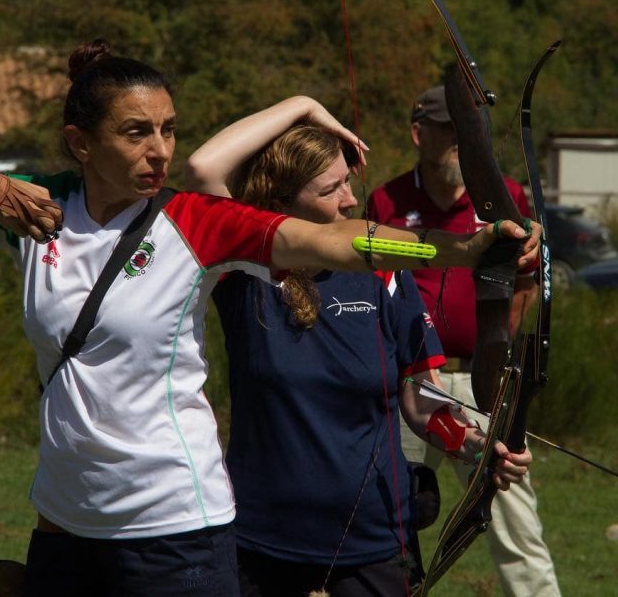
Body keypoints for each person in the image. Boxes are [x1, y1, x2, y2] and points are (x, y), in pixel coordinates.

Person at [0, 39, 540, 596]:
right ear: (80, 143)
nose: (160, 150)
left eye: (168, 130)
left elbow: (335, 242)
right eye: (136, 132)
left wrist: (460, 247)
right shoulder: (34, 212)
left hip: (176, 532)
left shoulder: (192, 221)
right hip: (64, 525)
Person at [184, 98, 533, 596]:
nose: (350, 200)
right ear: (283, 202)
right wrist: (304, 106)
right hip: (262, 541)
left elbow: (420, 398)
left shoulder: (385, 272)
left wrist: (474, 444)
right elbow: (203, 170)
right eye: (331, 189)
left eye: (349, 181)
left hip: (373, 539)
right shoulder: (246, 272)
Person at [368, 85, 562, 597]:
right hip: (412, 380)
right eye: (450, 129)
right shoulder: (386, 200)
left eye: (468, 131)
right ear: (419, 134)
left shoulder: (502, 198)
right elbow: (371, 287)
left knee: (513, 522)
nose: (461, 142)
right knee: (392, 517)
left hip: (482, 377)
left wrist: (496, 352)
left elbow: (526, 284)